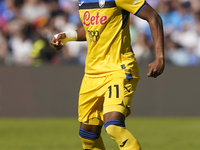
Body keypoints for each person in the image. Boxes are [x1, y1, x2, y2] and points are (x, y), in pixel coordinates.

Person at [51, 0, 164, 149]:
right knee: (88, 136)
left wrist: (160, 57)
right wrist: (66, 36)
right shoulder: (83, 1)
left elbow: (153, 17)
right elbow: (92, 29)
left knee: (113, 127)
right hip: (92, 73)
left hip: (119, 68)